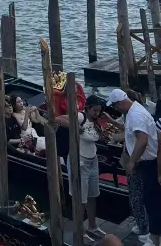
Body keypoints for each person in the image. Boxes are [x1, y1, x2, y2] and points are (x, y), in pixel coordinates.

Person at [106, 89, 161, 246]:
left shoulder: (136, 115)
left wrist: (132, 161)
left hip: (148, 163)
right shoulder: (134, 111)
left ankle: (155, 237)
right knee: (149, 199)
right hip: (146, 162)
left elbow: (142, 140)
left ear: (121, 103)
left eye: (116, 106)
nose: (116, 109)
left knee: (153, 201)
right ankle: (153, 234)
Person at [56, 94, 105, 240]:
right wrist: (75, 126)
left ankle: (92, 225)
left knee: (92, 195)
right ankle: (80, 229)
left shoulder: (96, 121)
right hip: (80, 160)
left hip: (93, 159)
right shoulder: (80, 117)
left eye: (99, 111)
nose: (97, 113)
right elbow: (58, 119)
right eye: (94, 111)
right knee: (80, 198)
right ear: (88, 108)